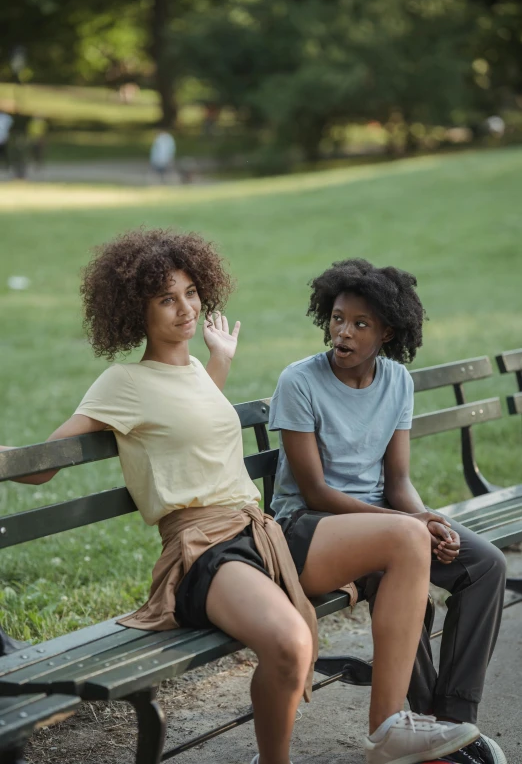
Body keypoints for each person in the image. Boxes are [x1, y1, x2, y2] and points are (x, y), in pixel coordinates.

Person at [0, 234, 475, 764]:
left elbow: (192, 419)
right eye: (166, 299)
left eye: (190, 292)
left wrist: (218, 360)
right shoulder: (121, 383)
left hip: (261, 532)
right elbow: (43, 465)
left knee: (409, 534)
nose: (186, 308)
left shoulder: (198, 373)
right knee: (291, 645)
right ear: (135, 311)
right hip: (205, 550)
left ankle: (387, 728)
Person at [268, 258, 507, 764]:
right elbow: (313, 492)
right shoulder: (299, 382)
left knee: (485, 564)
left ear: (388, 332)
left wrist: (429, 519)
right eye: (336, 318)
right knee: (396, 559)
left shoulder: (398, 381)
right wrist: (407, 525)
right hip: (311, 529)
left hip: (384, 523)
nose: (343, 333)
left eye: (360, 324)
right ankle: (421, 732)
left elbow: (397, 481)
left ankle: (452, 723)